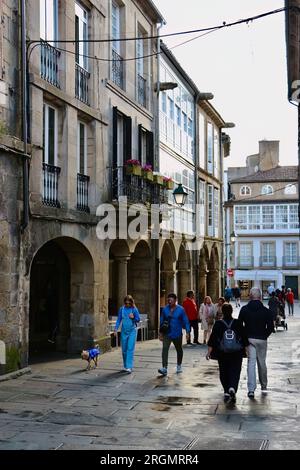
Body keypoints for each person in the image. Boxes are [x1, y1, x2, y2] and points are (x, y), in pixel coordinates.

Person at [206, 303, 249, 404]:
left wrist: (209, 352)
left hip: (222, 352)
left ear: (222, 312)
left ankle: (226, 391)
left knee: (223, 370)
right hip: (237, 352)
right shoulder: (238, 323)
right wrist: (247, 350)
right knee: (235, 370)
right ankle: (232, 387)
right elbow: (244, 337)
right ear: (231, 311)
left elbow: (212, 339)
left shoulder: (218, 324)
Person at [238, 287, 274, 398]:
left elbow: (239, 325)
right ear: (260, 297)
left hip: (249, 339)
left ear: (250, 296)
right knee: (262, 362)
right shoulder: (266, 311)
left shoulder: (244, 309)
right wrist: (264, 335)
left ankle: (251, 390)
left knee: (251, 363)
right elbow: (271, 327)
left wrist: (245, 337)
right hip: (262, 339)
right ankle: (264, 386)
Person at [158, 293, 190, 376]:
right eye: (168, 300)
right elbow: (161, 321)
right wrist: (160, 333)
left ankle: (179, 365)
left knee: (179, 349)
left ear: (175, 300)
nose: (169, 302)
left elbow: (186, 321)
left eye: (171, 300)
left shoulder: (181, 310)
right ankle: (164, 367)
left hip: (177, 333)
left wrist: (187, 332)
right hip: (167, 333)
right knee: (165, 349)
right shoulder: (165, 309)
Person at [114, 295, 140, 373]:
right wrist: (115, 329)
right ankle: (126, 365)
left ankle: (129, 366)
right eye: (126, 303)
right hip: (124, 331)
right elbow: (119, 320)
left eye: (129, 303)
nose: (128, 304)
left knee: (130, 348)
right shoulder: (121, 309)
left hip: (132, 331)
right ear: (124, 303)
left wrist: (133, 318)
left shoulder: (134, 309)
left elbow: (138, 319)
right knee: (124, 350)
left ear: (132, 303)